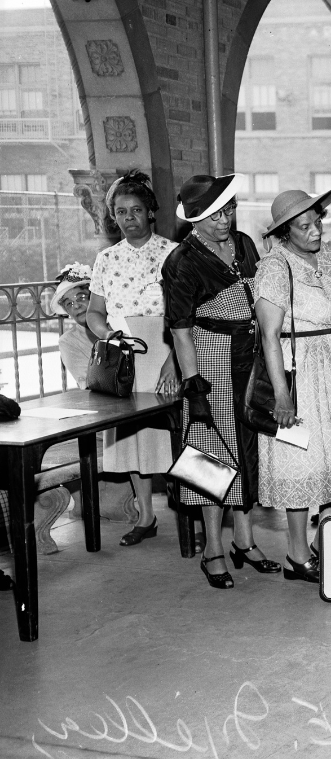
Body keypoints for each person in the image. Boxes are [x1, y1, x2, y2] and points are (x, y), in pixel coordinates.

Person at [163, 173, 279, 589]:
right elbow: (179, 330)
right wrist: (194, 386)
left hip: (248, 356)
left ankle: (244, 541)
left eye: (228, 210)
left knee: (248, 450)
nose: (224, 221)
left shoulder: (245, 244)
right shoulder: (181, 261)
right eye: (214, 216)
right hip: (209, 358)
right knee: (211, 455)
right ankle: (213, 547)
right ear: (194, 220)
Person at [254, 188, 331, 583]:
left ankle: (325, 543)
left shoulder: (326, 257)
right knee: (300, 459)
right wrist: (281, 393)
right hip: (300, 373)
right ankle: (296, 552)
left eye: (317, 222)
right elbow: (268, 335)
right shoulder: (276, 268)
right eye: (304, 226)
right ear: (285, 231)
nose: (314, 231)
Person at [85, 171, 179, 548]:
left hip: (165, 349)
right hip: (125, 355)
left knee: (175, 431)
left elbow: (189, 314)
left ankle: (189, 509)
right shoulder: (106, 258)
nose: (128, 218)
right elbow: (94, 313)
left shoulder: (174, 252)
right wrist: (111, 335)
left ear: (151, 212)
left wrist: (174, 358)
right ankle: (146, 515)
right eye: (121, 212)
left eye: (136, 210)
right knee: (131, 437)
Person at [52, 264, 97, 389]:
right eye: (69, 303)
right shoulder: (69, 341)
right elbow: (90, 385)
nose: (76, 306)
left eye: (81, 297)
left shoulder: (118, 323)